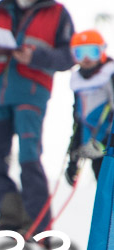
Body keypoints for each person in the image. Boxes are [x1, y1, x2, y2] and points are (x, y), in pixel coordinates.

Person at [0, 0, 74, 234]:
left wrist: (35, 57)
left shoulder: (57, 13)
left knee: (29, 158)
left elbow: (69, 56)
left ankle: (37, 227)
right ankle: (11, 218)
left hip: (31, 96)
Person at [65, 29, 114, 186]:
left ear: (101, 52)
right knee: (104, 196)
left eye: (92, 52)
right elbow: (79, 119)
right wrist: (74, 157)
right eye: (80, 53)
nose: (86, 58)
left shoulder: (109, 76)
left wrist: (106, 144)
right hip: (95, 151)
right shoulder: (79, 83)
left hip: (108, 149)